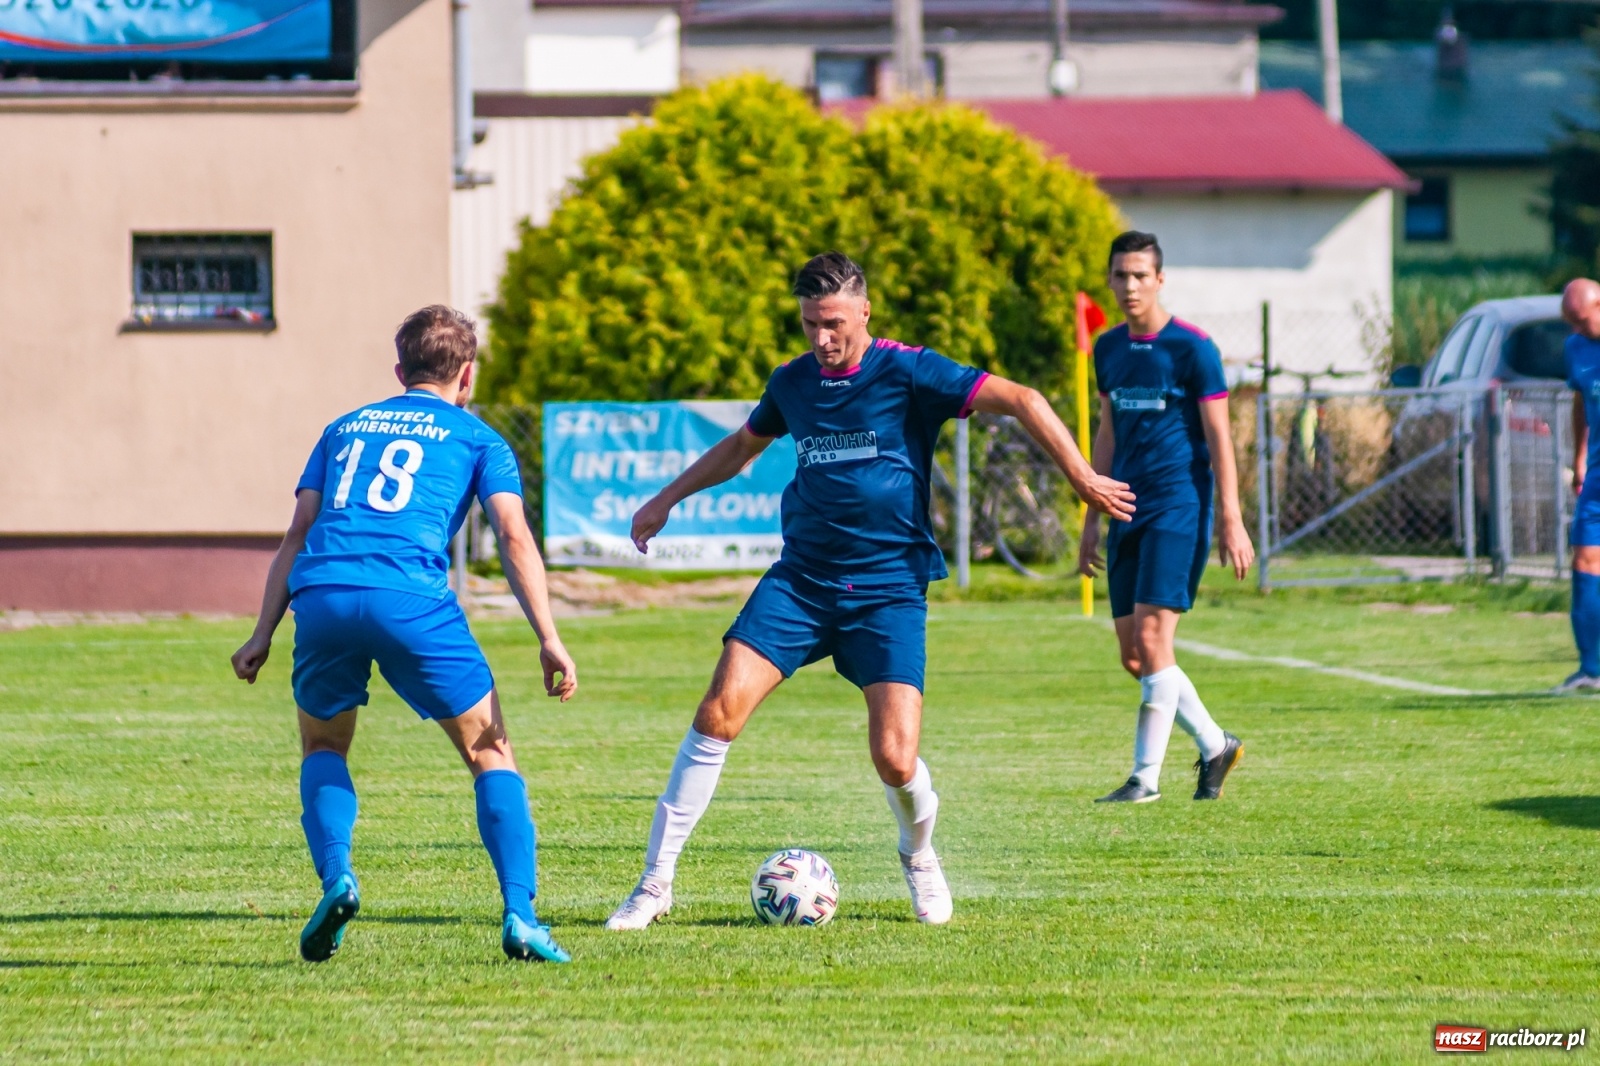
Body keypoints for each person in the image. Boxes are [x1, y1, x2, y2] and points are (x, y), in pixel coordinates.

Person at [604, 252, 1135, 931]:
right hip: (802, 581)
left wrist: (1083, 477)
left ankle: (918, 857)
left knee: (894, 757)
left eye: (832, 324)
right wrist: (666, 499)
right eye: (808, 325)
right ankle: (655, 884)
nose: (821, 340)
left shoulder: (909, 370)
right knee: (718, 713)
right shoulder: (792, 382)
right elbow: (741, 448)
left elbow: (1025, 399)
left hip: (887, 588)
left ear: (864, 312)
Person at [230, 305, 579, 963]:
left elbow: (296, 534)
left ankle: (338, 878)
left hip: (324, 596)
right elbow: (511, 534)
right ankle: (522, 917)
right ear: (467, 377)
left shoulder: (343, 428)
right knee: (489, 752)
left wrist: (262, 633)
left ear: (400, 371)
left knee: (324, 745)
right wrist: (549, 636)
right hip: (410, 598)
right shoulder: (478, 438)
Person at [1078, 231, 1253, 804]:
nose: (1129, 286)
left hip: (1179, 506)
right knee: (1136, 656)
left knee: (1155, 639)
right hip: (1123, 509)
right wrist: (1090, 518)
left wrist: (1231, 515)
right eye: (1120, 275)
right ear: (1110, 279)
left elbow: (1220, 438)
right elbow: (1106, 431)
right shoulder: (1107, 349)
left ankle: (1143, 780)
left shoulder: (1193, 349)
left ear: (1159, 279)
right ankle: (1214, 744)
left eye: (1139, 275)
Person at [1558, 277, 1600, 693]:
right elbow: (1580, 400)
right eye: (1570, 322)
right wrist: (1580, 455)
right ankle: (1592, 670)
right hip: (1599, 475)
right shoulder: (1576, 348)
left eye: (1582, 321)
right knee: (1585, 557)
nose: (1577, 330)